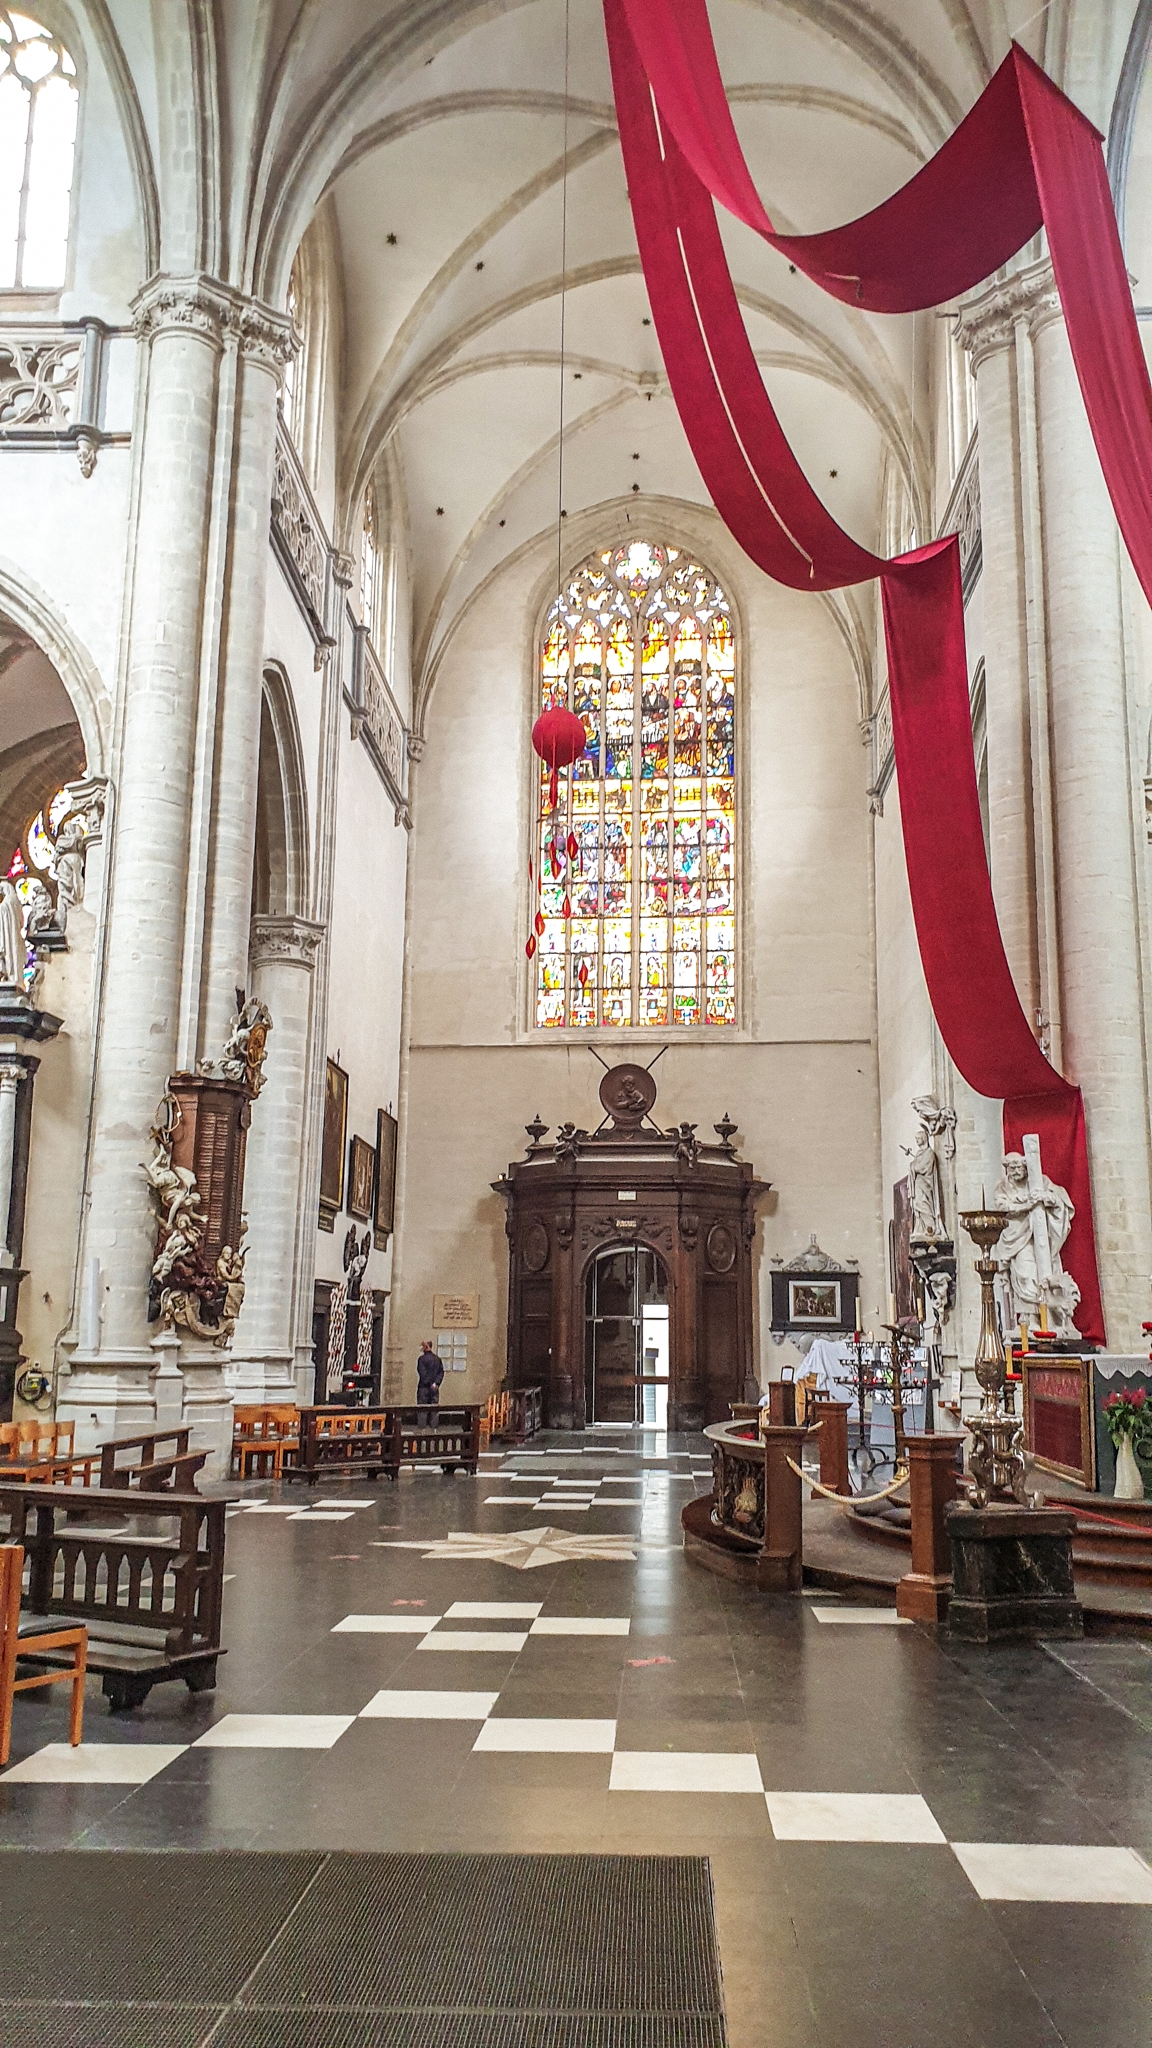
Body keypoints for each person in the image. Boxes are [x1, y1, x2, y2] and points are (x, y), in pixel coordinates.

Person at [416, 1339, 444, 1409]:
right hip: (434, 1388)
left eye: (423, 1346)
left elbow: (422, 1373)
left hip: (424, 1388)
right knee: (434, 1411)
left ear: (426, 1346)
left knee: (422, 1411)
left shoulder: (422, 1359)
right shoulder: (437, 1359)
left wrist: (428, 1382)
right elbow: (441, 1372)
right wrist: (435, 1383)